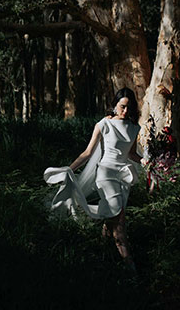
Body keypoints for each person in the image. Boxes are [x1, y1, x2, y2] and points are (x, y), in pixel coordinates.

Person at [44, 88, 143, 271]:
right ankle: (129, 265)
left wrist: (148, 161)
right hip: (105, 175)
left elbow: (131, 154)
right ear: (115, 105)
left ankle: (101, 252)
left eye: (129, 107)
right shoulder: (104, 124)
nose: (126, 111)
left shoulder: (134, 127)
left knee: (112, 218)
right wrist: (70, 169)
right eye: (122, 106)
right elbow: (88, 153)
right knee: (119, 219)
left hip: (123, 176)